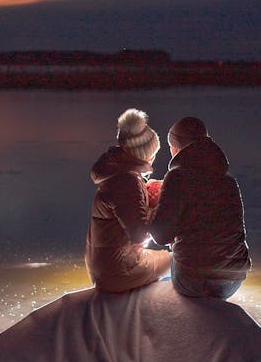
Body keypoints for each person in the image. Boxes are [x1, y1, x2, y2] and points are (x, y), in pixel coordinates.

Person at [148, 116, 251, 299]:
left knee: (161, 273)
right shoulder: (228, 181)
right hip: (233, 279)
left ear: (176, 148)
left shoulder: (177, 178)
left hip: (194, 280)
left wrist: (154, 204)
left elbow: (161, 236)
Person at [85, 108, 172, 293]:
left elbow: (124, 211)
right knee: (177, 262)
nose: (154, 158)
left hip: (103, 266)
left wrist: (147, 194)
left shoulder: (115, 173)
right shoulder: (127, 182)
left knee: (164, 259)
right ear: (143, 154)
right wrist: (161, 204)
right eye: (153, 153)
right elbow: (139, 233)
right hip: (118, 271)